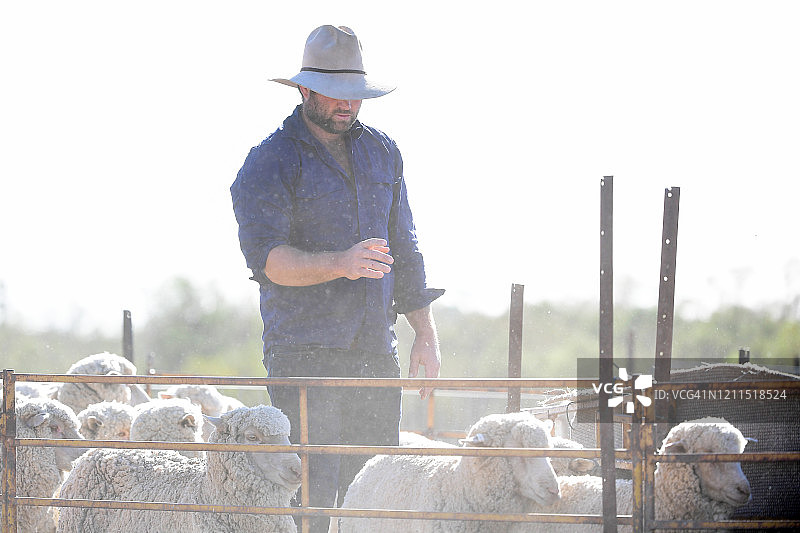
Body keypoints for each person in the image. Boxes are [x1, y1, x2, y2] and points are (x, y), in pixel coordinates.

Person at [230, 25, 444, 532]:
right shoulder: (269, 161)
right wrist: (340, 262)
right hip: (304, 350)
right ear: (304, 89)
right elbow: (269, 262)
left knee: (373, 482)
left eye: (355, 94)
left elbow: (405, 249)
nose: (348, 105)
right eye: (336, 94)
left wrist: (426, 332)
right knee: (312, 484)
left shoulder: (383, 152)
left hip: (374, 347)